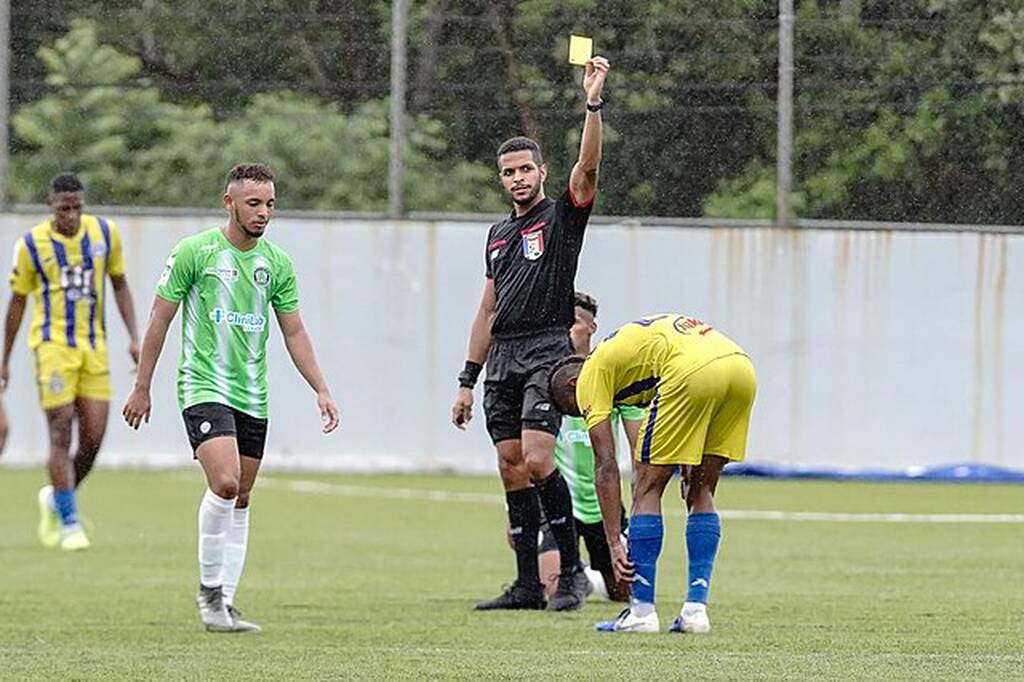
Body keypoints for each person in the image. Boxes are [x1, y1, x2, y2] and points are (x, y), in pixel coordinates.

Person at [122, 163, 341, 634]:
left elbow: (294, 330)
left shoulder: (276, 264)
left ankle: (227, 603)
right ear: (230, 203)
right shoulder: (195, 253)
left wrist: (320, 388)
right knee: (224, 482)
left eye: (270, 205)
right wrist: (142, 386)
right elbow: (159, 320)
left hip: (252, 394)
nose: (263, 213)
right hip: (203, 386)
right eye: (254, 204)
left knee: (241, 495)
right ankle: (209, 594)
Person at [451, 55, 610, 612]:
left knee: (541, 459)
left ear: (542, 172)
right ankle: (524, 585)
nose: (518, 177)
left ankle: (570, 573)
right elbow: (486, 311)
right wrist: (468, 380)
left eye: (526, 169)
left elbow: (587, 170)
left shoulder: (562, 217)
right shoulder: (496, 235)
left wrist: (592, 103)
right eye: (509, 171)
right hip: (504, 360)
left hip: (548, 349)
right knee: (511, 465)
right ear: (502, 178)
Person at [548, 313, 756, 633]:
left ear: (574, 385)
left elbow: (605, 465)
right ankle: (695, 612)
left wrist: (614, 541)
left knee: (646, 488)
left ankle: (642, 612)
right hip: (739, 367)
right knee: (700, 488)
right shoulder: (626, 359)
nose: (588, 415)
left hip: (689, 369)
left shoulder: (589, 376)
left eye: (579, 411)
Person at [2, 172, 140, 551]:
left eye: (78, 208)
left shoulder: (104, 235)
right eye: (64, 209)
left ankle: (57, 498)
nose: (72, 217)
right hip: (52, 348)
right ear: (50, 207)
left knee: (93, 439)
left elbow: (119, 283)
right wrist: (5, 359)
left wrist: (133, 337)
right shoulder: (31, 245)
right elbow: (17, 303)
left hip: (94, 347)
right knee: (61, 429)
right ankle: (69, 522)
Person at [535, 292, 641, 603]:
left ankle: (586, 574)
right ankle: (571, 572)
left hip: (602, 500)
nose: (567, 330)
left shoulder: (612, 376)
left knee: (624, 593)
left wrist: (641, 501)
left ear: (592, 328)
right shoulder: (542, 378)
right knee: (555, 593)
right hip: (557, 501)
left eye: (575, 323)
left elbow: (637, 447)